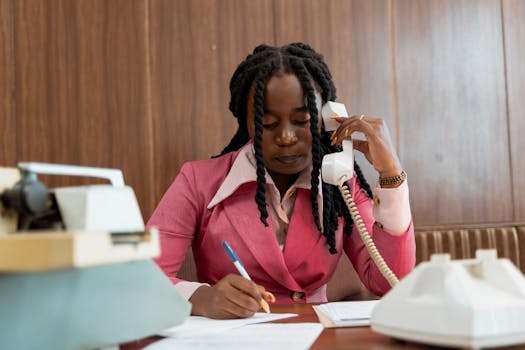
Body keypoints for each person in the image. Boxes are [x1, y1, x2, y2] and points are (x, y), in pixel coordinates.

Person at [148, 42, 415, 319]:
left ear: (326, 118)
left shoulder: (340, 185)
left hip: (315, 337)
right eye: (268, 124)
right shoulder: (198, 181)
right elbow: (143, 277)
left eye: (303, 120)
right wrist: (202, 297)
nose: (286, 137)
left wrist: (390, 176)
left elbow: (390, 283)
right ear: (247, 123)